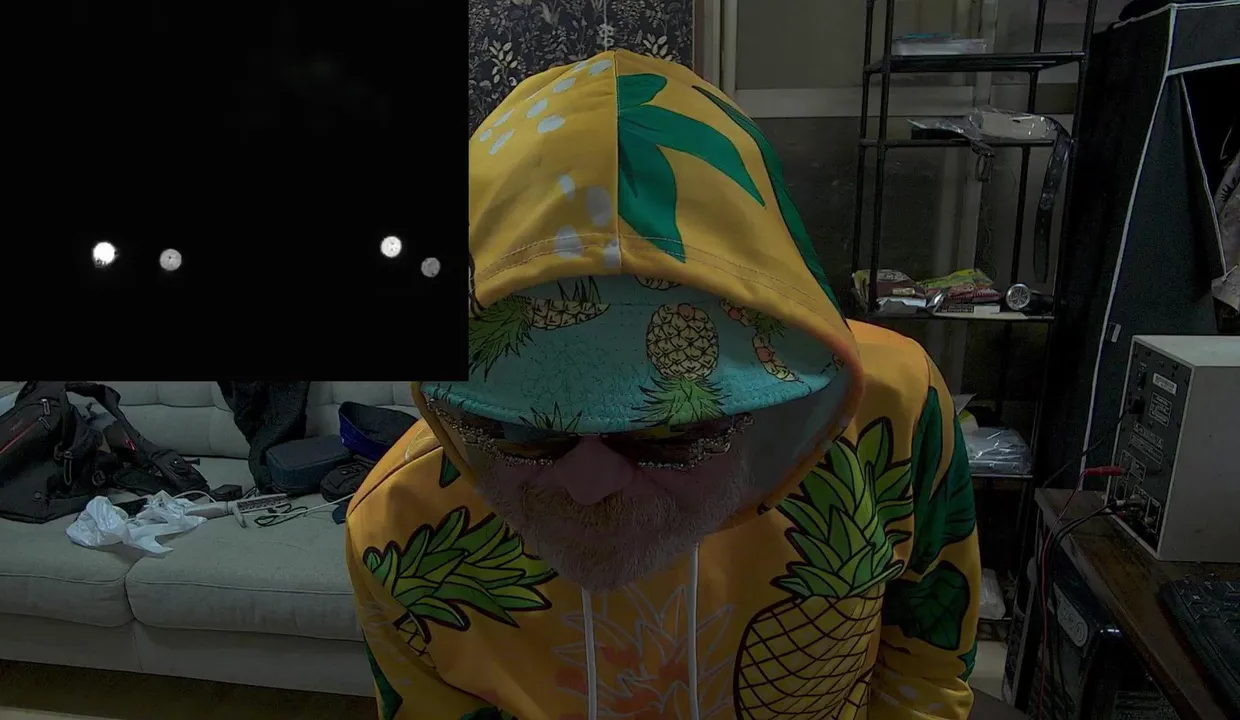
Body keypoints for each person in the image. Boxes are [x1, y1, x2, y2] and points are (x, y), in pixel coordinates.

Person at [347, 49, 981, 720]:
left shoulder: (895, 407)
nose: (589, 484)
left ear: (778, 404)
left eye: (672, 430)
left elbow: (927, 663)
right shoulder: (396, 526)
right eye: (520, 425)